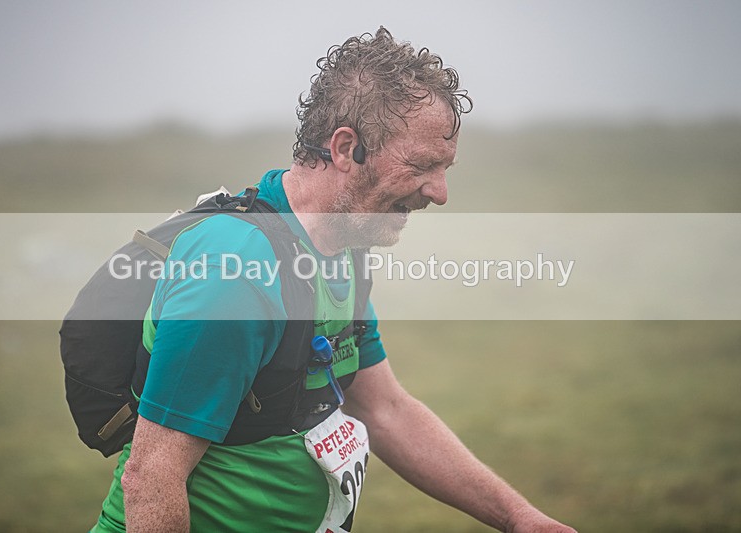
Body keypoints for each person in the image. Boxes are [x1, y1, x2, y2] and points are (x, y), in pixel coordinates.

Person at [92, 27, 577, 533]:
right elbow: (151, 475)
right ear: (346, 148)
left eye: (446, 167)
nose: (440, 192)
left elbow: (385, 409)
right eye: (423, 166)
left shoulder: (340, 246)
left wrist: (521, 519)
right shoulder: (235, 273)